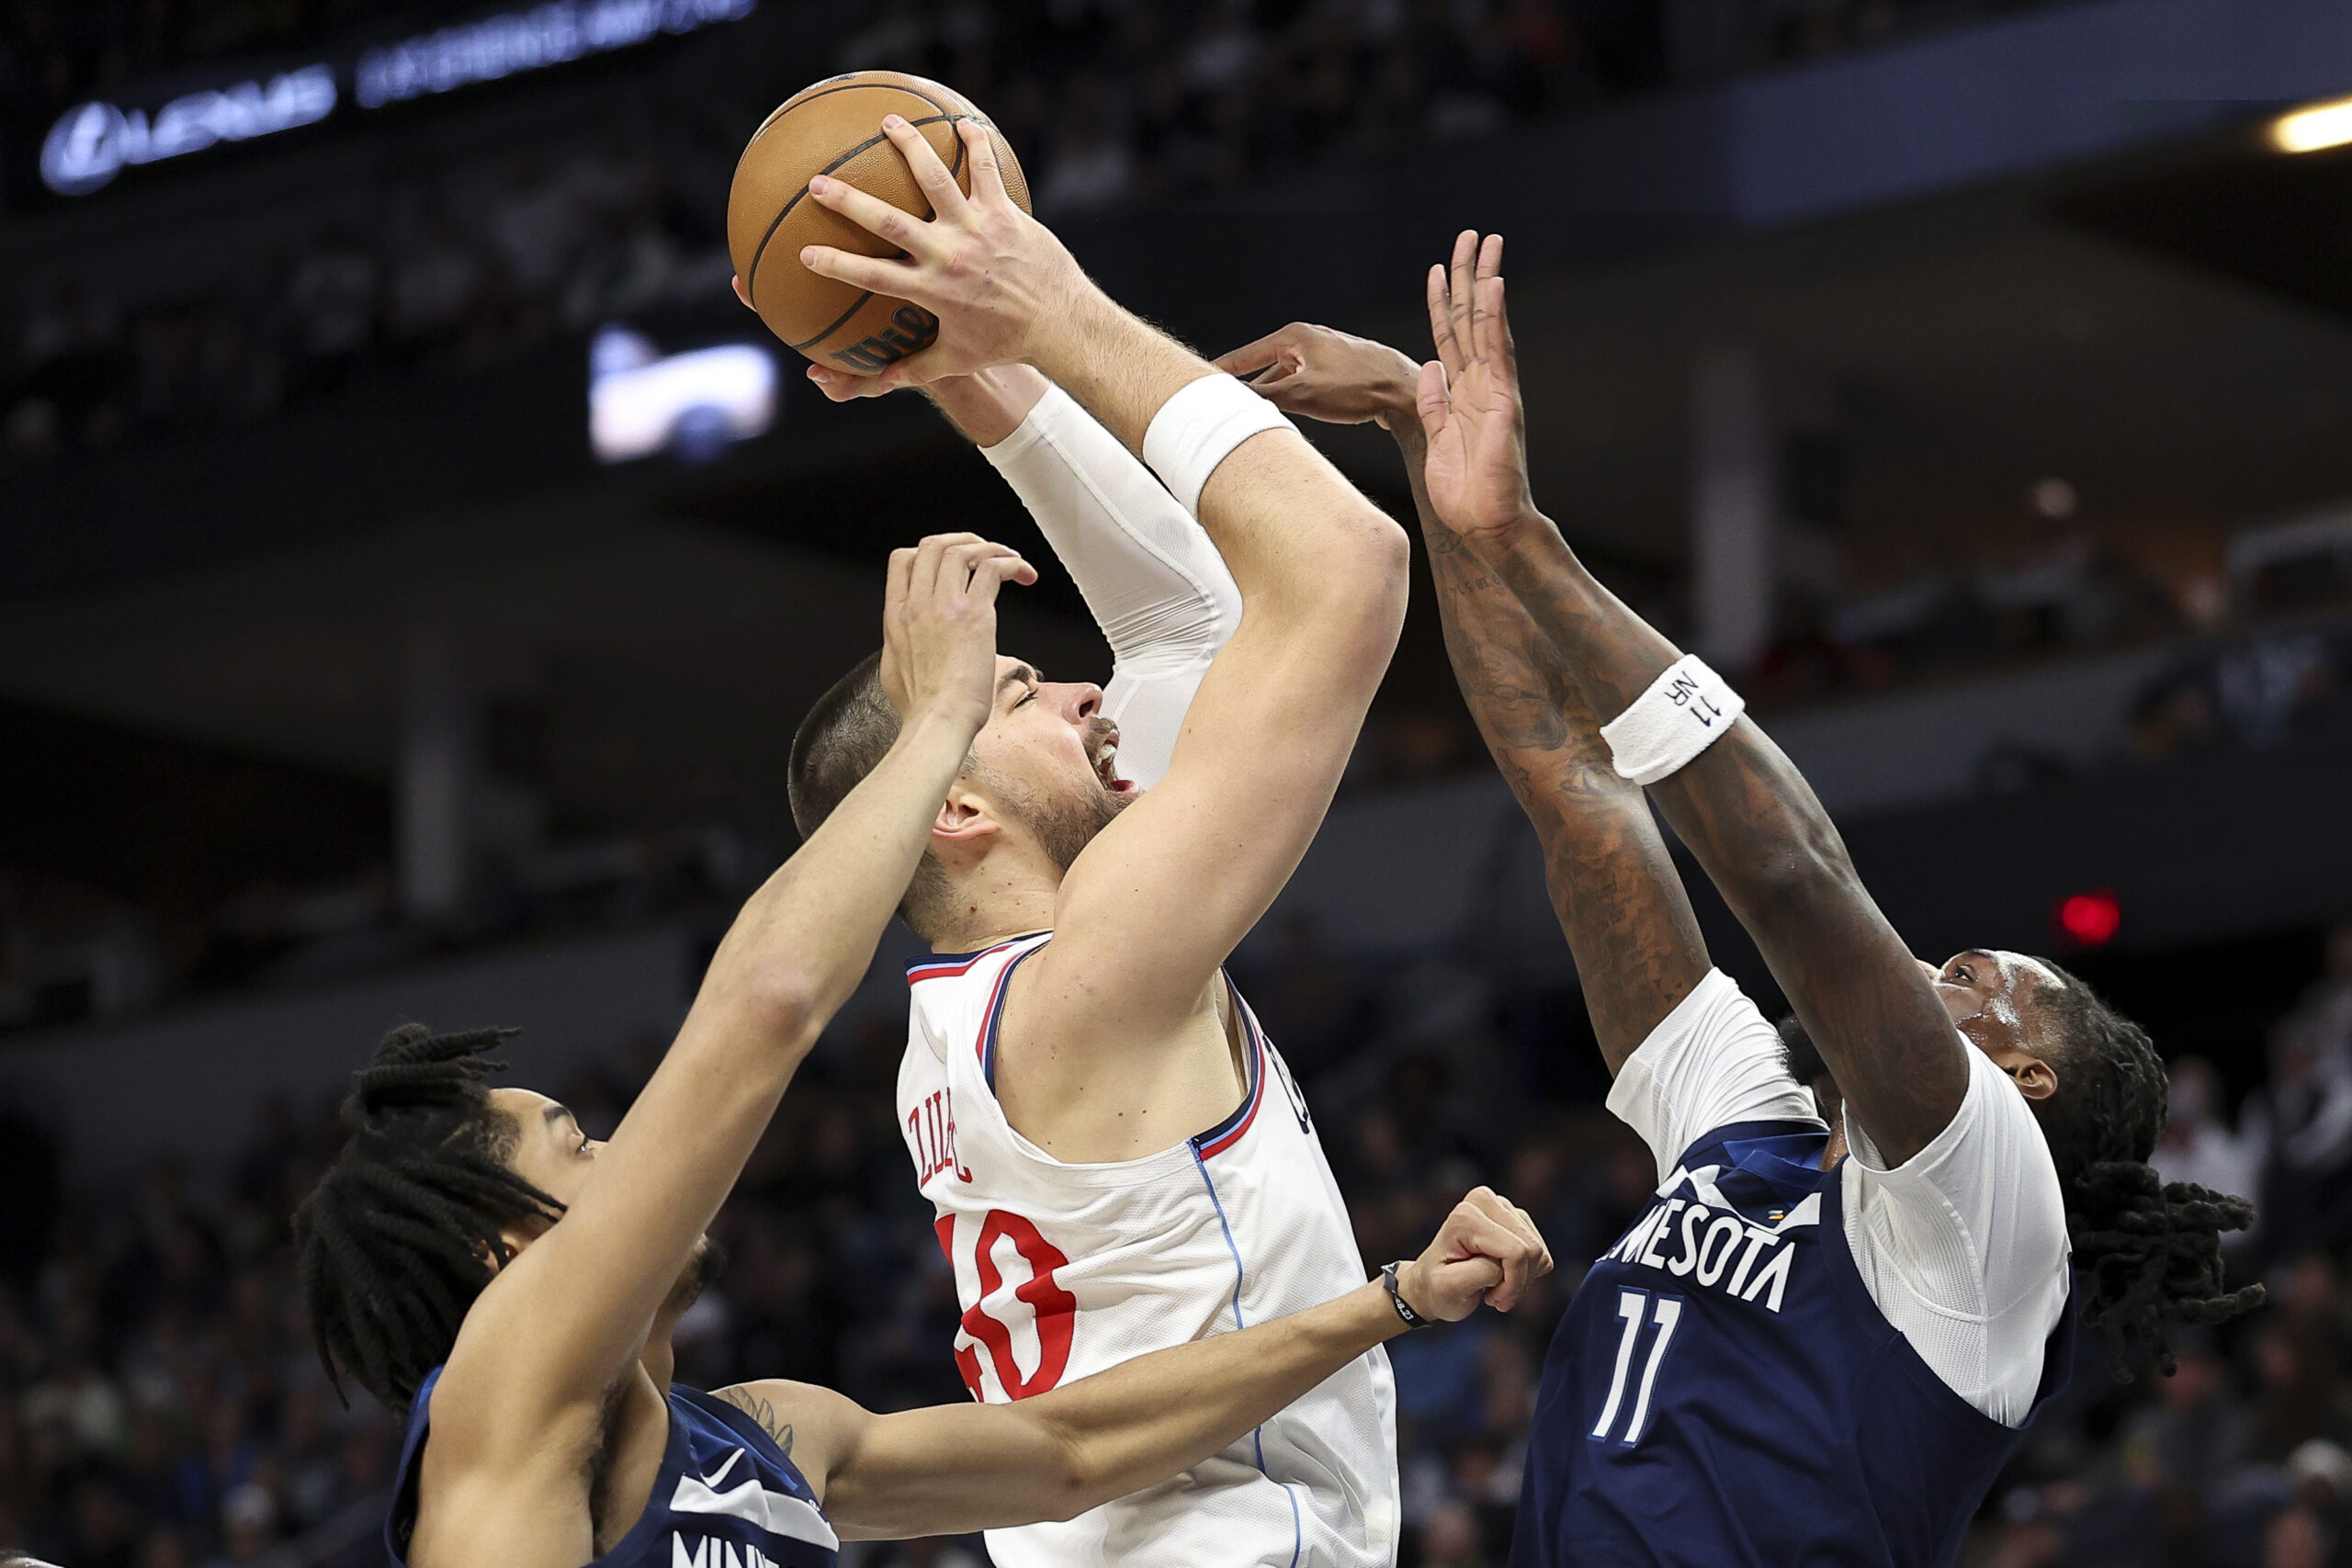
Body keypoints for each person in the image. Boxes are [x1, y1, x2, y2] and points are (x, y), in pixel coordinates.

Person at [1214, 234, 2265, 1568]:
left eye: (1993, 988)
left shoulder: (1991, 1228)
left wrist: (1524, 539)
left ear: (2026, 1089)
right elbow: (1568, 781)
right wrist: (1431, 450)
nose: (1942, 970)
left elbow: (1793, 877)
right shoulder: (1743, 1124)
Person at [291, 525, 1554, 1568]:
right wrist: (940, 712)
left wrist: (1389, 1300)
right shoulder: (498, 1412)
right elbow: (764, 1008)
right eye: (575, 1145)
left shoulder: (764, 1434)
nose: (624, 1148)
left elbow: (1069, 1455)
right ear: (505, 1248)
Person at [779, 113, 1423, 1566]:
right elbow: (1344, 569)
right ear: (956, 809)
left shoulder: (989, 1003)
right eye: (1019, 690)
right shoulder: (1088, 975)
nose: (1081, 689)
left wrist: (980, 371)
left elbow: (1189, 623)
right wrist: (1049, 307)